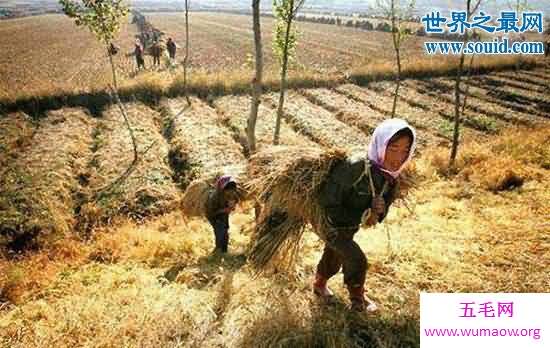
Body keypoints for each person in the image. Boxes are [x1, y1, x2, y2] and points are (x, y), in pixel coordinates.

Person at [313, 118, 417, 312]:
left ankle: (319, 284)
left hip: (348, 226)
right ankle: (357, 298)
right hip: (328, 221)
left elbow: (381, 212)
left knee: (335, 254)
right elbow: (328, 201)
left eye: (405, 150)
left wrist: (380, 209)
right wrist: (359, 213)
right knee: (356, 258)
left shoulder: (391, 177)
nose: (398, 157)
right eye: (393, 148)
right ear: (380, 144)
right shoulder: (355, 167)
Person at [206, 176, 240, 254]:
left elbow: (236, 201)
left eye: (233, 189)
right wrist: (223, 210)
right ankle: (216, 252)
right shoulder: (214, 197)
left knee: (226, 232)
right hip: (214, 216)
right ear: (222, 189)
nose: (231, 192)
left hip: (224, 214)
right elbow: (211, 213)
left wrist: (232, 206)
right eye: (228, 190)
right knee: (220, 231)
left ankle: (224, 252)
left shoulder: (233, 193)